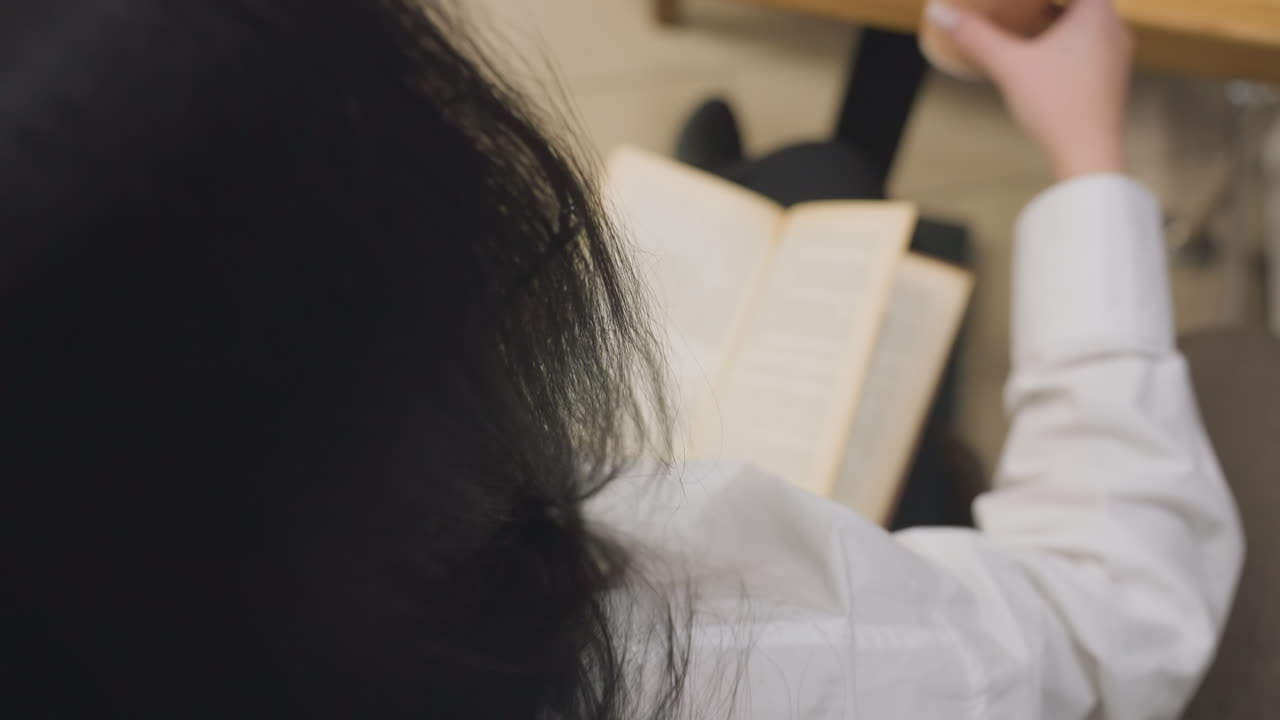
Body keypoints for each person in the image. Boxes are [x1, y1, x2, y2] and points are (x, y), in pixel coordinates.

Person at [0, 1, 1241, 720]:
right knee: (823, 196)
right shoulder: (718, 657)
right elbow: (1110, 616)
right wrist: (1087, 153)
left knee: (802, 175)